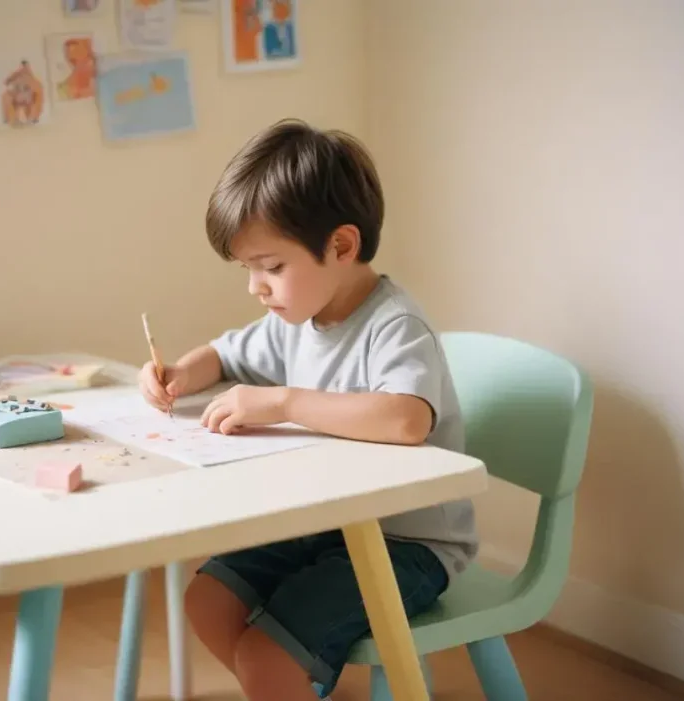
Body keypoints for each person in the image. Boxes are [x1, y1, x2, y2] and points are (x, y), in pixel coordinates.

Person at [137, 118, 478, 700]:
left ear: (341, 246)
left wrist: (283, 400)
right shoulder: (294, 321)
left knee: (267, 654)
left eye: (271, 267)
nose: (257, 288)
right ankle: (290, 686)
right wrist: (178, 374)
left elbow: (406, 419)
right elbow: (222, 354)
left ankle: (282, 679)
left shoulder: (395, 326)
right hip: (328, 527)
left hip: (409, 546)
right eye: (248, 270)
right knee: (208, 601)